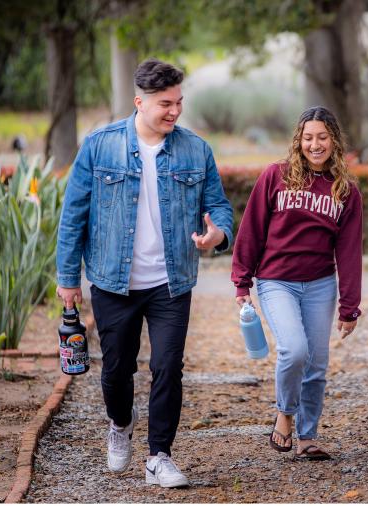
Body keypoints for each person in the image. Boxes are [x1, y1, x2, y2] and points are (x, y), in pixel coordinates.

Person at [55, 58, 233, 488]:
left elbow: (220, 208)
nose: (174, 111)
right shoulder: (100, 146)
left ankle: (159, 456)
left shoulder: (196, 149)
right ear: (140, 102)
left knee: (169, 366)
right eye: (165, 104)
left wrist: (218, 235)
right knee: (116, 369)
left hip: (171, 282)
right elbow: (73, 214)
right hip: (113, 282)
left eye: (178, 102)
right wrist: (67, 278)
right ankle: (120, 422)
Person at [231, 106, 363, 461]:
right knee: (294, 349)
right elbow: (251, 230)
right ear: (298, 140)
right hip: (277, 282)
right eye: (308, 138)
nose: (315, 145)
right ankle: (285, 415)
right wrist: (242, 283)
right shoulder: (276, 176)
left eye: (322, 137)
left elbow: (349, 253)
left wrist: (350, 306)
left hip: (320, 285)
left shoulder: (346, 191)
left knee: (317, 363)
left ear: (334, 140)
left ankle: (308, 436)